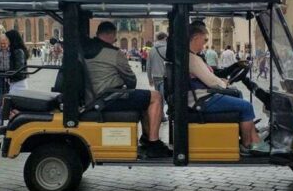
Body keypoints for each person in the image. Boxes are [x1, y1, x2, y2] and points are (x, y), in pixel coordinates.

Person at [83, 21, 167, 155]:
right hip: (108, 98)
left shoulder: (85, 49)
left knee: (144, 99)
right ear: (111, 34)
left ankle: (146, 137)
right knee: (156, 96)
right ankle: (153, 143)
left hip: (94, 96)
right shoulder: (114, 53)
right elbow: (131, 80)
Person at [187, 24, 268, 155]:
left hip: (202, 96)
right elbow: (212, 81)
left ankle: (253, 137)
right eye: (204, 40)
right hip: (201, 99)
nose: (204, 44)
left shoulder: (194, 56)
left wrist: (226, 78)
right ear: (195, 38)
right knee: (246, 106)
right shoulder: (192, 59)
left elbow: (212, 77)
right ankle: (247, 145)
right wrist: (224, 84)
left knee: (238, 96)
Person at [146, 32, 168, 122]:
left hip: (155, 77)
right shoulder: (167, 49)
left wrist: (149, 78)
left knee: (158, 97)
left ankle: (159, 115)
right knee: (162, 97)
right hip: (164, 77)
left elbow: (148, 66)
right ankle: (161, 116)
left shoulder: (152, 49)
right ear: (164, 38)